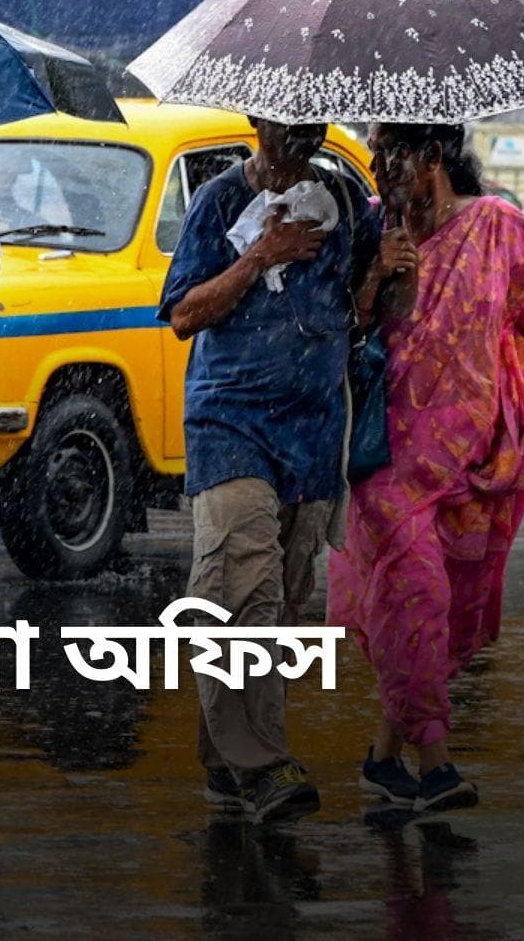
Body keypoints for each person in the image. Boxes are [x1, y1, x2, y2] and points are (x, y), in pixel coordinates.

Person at [328, 123, 524, 814]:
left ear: (432, 156)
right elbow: (339, 332)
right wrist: (377, 276)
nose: (376, 165)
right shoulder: (368, 233)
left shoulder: (496, 228)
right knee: (416, 596)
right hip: (385, 458)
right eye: (372, 152)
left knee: (438, 616)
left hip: (473, 460)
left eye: (390, 151)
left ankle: (382, 759)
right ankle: (435, 765)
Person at [157, 118, 380, 823]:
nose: (302, 133)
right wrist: (260, 255)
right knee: (239, 587)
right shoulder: (220, 201)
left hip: (312, 434)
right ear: (257, 121)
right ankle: (263, 762)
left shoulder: (344, 201)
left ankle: (227, 756)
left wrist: (386, 269)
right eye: (287, 121)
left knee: (277, 603)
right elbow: (185, 315)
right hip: (231, 426)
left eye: (313, 121)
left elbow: (362, 315)